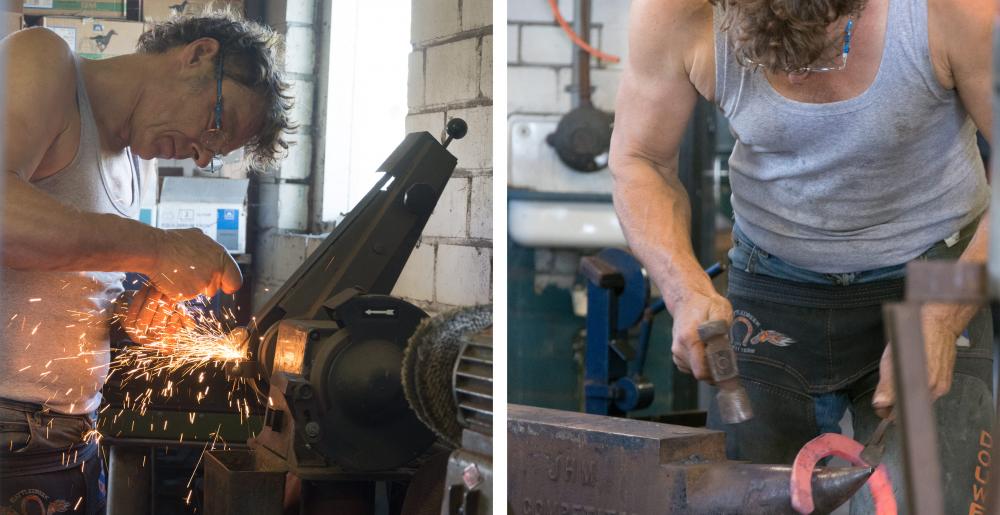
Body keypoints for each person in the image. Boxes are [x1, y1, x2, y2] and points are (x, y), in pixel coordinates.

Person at [610, 0, 992, 511]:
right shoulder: (677, 12)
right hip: (772, 276)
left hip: (935, 271)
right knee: (747, 499)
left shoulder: (954, 11)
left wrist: (945, 318)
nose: (794, 73)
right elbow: (641, 161)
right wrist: (683, 287)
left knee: (928, 500)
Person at [0, 10, 292, 514]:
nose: (204, 154)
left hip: (69, 433)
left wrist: (131, 314)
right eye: (216, 123)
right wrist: (156, 248)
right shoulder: (45, 61)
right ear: (198, 55)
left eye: (216, 152)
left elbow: (61, 276)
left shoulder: (134, 166)